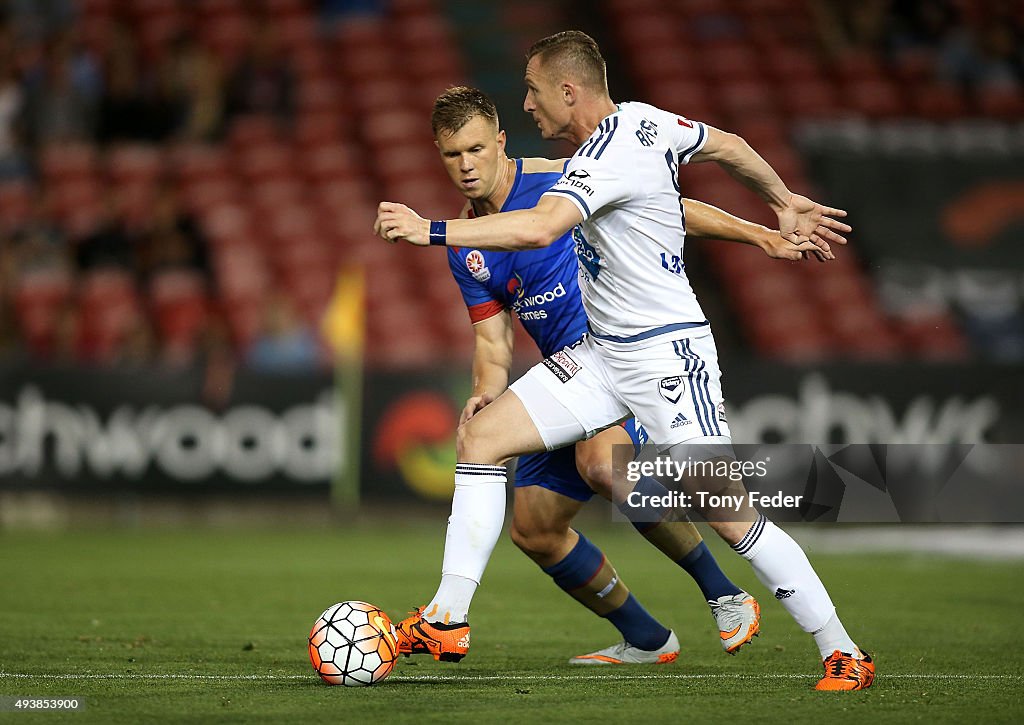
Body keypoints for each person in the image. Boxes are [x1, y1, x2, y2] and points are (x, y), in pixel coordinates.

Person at [375, 31, 872, 691]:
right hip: (602, 354)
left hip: (666, 351)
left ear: (567, 91)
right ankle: (448, 615)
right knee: (481, 436)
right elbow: (729, 146)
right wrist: (778, 205)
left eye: (532, 90)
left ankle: (841, 650)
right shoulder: (646, 123)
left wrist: (427, 228)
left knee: (729, 510)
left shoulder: (588, 166)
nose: (526, 105)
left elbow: (537, 228)